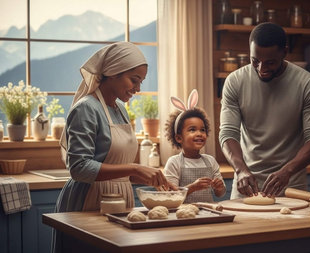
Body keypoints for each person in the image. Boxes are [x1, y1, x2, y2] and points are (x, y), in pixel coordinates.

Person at [53, 42, 175, 252]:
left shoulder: (119, 109)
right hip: (88, 201)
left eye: (141, 82)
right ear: (112, 73)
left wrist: (153, 178)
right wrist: (135, 168)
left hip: (120, 201)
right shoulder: (86, 109)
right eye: (133, 80)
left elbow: (118, 168)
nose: (137, 88)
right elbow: (79, 168)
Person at [219, 22, 310, 199]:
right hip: (246, 188)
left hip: (291, 188)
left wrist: (287, 171)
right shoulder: (235, 81)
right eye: (255, 61)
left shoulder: (308, 83)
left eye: (270, 62)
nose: (262, 69)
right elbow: (227, 133)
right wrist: (241, 170)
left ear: (284, 52)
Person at [164, 89, 226, 203]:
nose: (199, 134)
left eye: (202, 130)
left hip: (208, 214)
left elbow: (220, 194)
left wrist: (219, 187)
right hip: (183, 216)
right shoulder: (174, 163)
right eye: (192, 130)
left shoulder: (210, 161)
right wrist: (192, 187)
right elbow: (170, 196)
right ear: (178, 138)